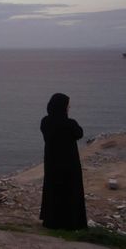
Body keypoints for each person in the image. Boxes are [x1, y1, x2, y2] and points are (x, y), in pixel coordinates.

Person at [39, 93, 87, 230]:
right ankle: (70, 223)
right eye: (67, 105)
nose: (69, 107)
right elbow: (79, 133)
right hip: (69, 164)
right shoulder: (70, 123)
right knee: (70, 192)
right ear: (62, 107)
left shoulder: (45, 121)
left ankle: (51, 221)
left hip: (52, 163)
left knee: (53, 191)